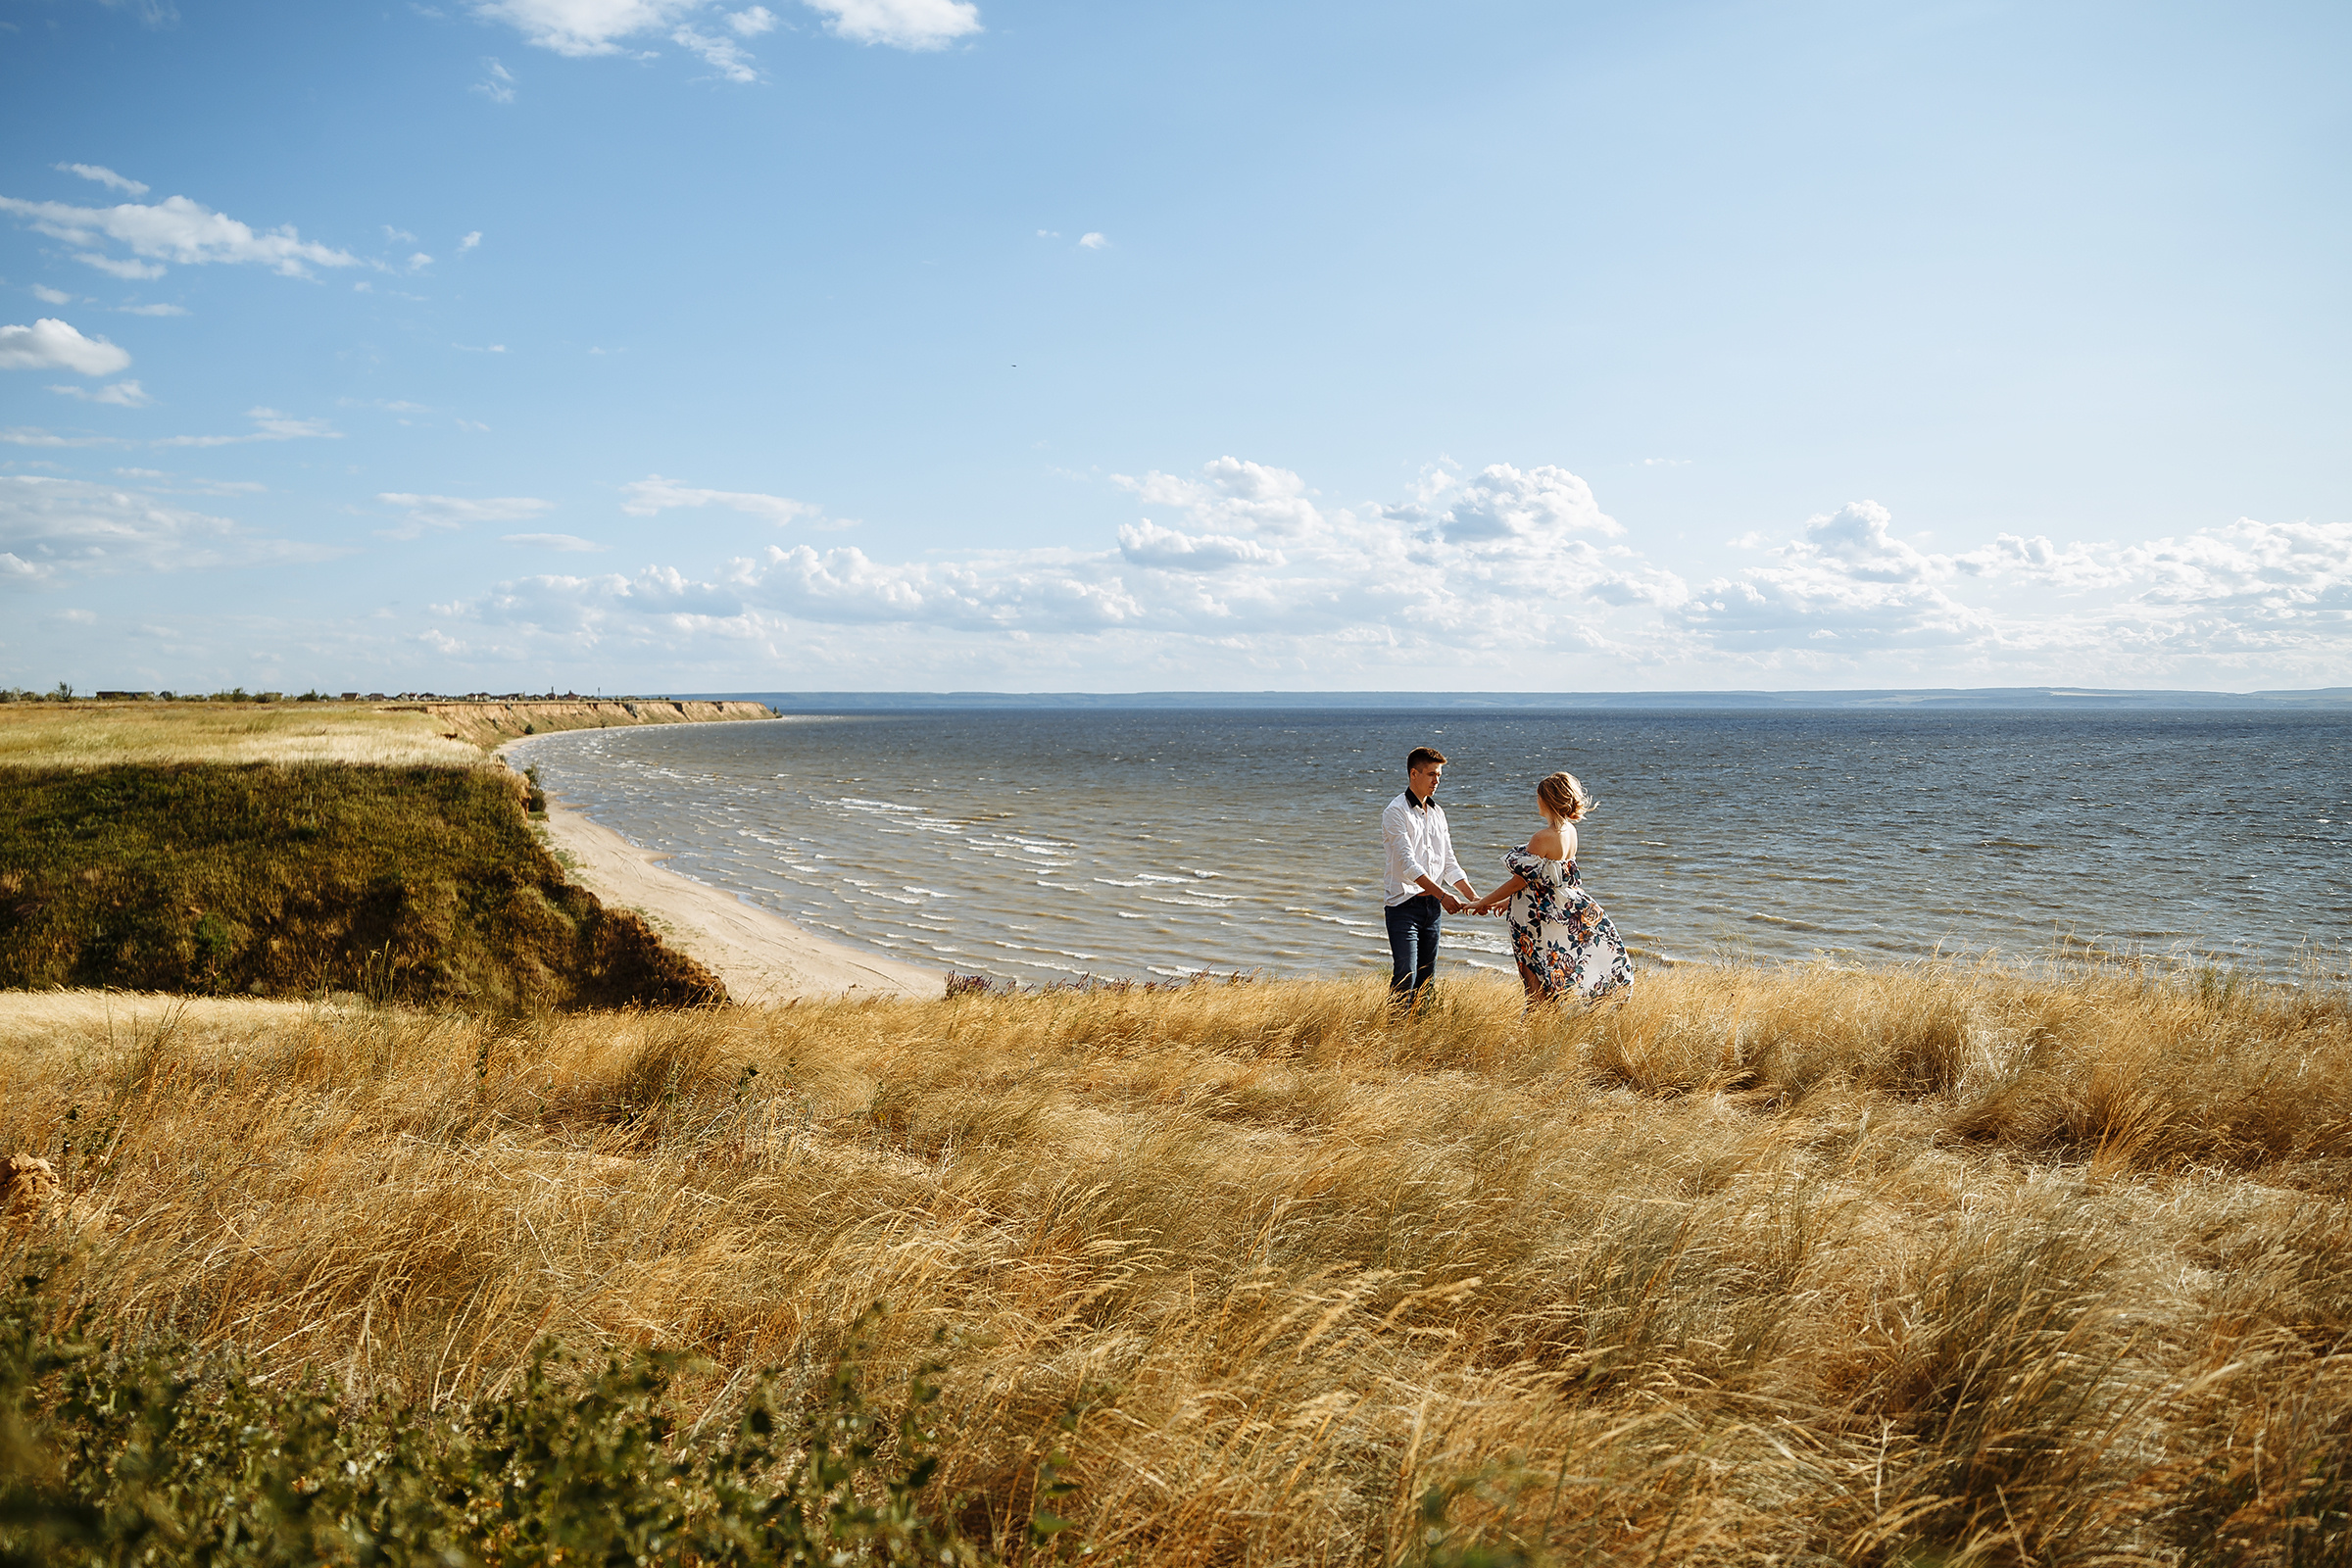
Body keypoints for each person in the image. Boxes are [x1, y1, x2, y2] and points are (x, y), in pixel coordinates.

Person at [1468, 769, 1633, 1004]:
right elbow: (1552, 880)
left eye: (1538, 796)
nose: (1536, 801)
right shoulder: (1571, 832)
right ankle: (1546, 1031)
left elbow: (1520, 880)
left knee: (1533, 983)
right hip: (1556, 913)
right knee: (1551, 978)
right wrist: (1508, 902)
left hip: (1534, 920)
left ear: (1546, 800)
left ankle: (1532, 1032)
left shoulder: (1542, 837)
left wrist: (1483, 901)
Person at [1382, 745, 1477, 1003]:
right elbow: (1408, 865)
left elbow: (1448, 862)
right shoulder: (1395, 811)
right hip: (1403, 906)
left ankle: (1420, 1033)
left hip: (1431, 908)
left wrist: (1473, 897)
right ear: (1414, 774)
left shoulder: (1438, 813)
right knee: (1406, 976)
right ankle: (1394, 1032)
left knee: (1426, 979)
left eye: (1439, 776)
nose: (1437, 781)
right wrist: (1444, 895)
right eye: (1432, 774)